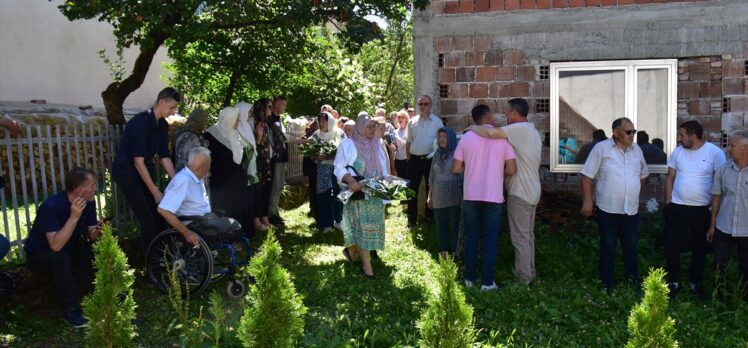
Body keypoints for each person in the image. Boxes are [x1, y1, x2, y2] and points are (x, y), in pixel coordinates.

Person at [465, 98, 542, 286]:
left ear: (515, 112)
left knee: (520, 238)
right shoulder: (533, 132)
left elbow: (490, 132)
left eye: (507, 112)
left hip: (520, 191)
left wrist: (472, 128)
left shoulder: (518, 129)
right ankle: (530, 271)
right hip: (533, 189)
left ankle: (523, 279)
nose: (505, 116)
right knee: (528, 236)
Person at [24, 167, 102, 327]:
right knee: (61, 258)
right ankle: (70, 310)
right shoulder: (52, 206)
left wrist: (99, 230)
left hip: (68, 248)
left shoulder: (88, 202)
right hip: (40, 255)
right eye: (93, 185)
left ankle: (102, 292)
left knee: (93, 249)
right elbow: (55, 246)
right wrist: (74, 218)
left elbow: (91, 235)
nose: (95, 189)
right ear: (80, 190)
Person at [581, 117, 649, 291]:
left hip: (630, 210)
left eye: (633, 131)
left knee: (631, 247)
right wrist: (588, 201)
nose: (632, 135)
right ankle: (606, 284)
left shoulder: (637, 150)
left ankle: (633, 282)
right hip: (608, 209)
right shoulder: (601, 149)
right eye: (628, 132)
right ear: (616, 132)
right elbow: (587, 176)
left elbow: (643, 175)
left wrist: (632, 192)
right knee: (608, 247)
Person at [453, 105, 516, 291]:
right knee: (490, 239)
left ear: (473, 119)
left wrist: (470, 168)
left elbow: (456, 168)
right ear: (488, 115)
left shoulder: (466, 138)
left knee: (472, 237)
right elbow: (512, 169)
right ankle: (488, 282)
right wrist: (496, 171)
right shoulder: (502, 139)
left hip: (471, 196)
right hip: (493, 197)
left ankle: (469, 279)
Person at [111, 87, 178, 251]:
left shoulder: (162, 125)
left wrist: (178, 181)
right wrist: (155, 191)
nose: (174, 112)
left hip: (142, 169)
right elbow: (138, 162)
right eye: (172, 107)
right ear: (161, 102)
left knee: (160, 212)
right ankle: (151, 263)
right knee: (146, 217)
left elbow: (164, 156)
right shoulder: (139, 123)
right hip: (126, 172)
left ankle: (165, 255)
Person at [664, 121, 726, 299]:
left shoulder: (714, 153)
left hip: (701, 210)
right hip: (676, 208)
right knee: (671, 246)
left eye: (682, 135)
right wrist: (668, 202)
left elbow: (719, 182)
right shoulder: (678, 152)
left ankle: (695, 282)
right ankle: (672, 282)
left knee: (700, 248)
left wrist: (714, 210)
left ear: (693, 136)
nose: (679, 138)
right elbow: (670, 177)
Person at [334, 112, 389, 278]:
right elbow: (338, 167)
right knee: (362, 229)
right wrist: (350, 181)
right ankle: (367, 268)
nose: (373, 129)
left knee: (370, 228)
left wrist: (386, 186)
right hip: (358, 195)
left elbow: (383, 169)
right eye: (369, 126)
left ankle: (351, 252)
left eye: (374, 126)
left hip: (375, 196)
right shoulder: (348, 145)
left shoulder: (376, 145)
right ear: (360, 127)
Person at [707, 130, 748, 301]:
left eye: (732, 145)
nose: (728, 149)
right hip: (724, 226)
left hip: (746, 229)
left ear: (746, 148)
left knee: (746, 267)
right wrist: (712, 225)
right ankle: (720, 298)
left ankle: (744, 300)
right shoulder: (724, 169)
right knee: (719, 264)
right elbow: (716, 197)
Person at [204, 106, 253, 234]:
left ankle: (239, 233)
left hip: (236, 179)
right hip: (221, 180)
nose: (238, 122)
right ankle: (226, 235)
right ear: (229, 119)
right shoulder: (211, 134)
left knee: (238, 206)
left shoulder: (235, 134)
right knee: (225, 208)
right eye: (236, 119)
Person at [157, 147, 212, 247]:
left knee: (231, 226)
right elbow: (163, 210)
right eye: (209, 164)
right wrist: (186, 232)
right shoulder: (183, 180)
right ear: (203, 167)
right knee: (228, 228)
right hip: (194, 222)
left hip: (203, 219)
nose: (210, 168)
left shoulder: (197, 178)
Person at [406, 95, 444, 227]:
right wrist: (408, 157)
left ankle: (428, 219)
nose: (422, 106)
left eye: (425, 104)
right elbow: (408, 141)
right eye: (420, 104)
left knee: (431, 189)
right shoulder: (412, 122)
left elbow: (441, 141)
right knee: (412, 190)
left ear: (431, 105)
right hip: (414, 160)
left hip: (431, 160)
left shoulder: (437, 122)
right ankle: (411, 220)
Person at [427, 127, 462, 260]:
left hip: (453, 195)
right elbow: (432, 176)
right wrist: (430, 196)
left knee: (454, 225)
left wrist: (462, 195)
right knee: (440, 225)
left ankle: (454, 253)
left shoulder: (457, 154)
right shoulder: (436, 154)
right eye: (440, 136)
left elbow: (462, 176)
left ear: (451, 138)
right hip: (438, 196)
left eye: (445, 136)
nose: (441, 139)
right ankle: (443, 253)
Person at [311, 112, 345, 233]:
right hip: (323, 171)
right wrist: (316, 156)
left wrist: (333, 155)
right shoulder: (316, 135)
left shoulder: (339, 133)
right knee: (324, 195)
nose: (321, 123)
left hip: (337, 169)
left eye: (324, 121)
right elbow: (310, 151)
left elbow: (344, 149)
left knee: (338, 194)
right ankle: (326, 224)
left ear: (330, 121)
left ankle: (338, 220)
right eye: (319, 121)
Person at [236, 102, 259, 235]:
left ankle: (250, 229)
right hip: (242, 171)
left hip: (251, 169)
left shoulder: (247, 127)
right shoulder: (237, 128)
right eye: (248, 112)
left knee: (251, 199)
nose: (250, 114)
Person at [268, 95, 289, 227]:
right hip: (276, 158)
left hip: (282, 158)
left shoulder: (278, 119)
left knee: (279, 186)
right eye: (283, 105)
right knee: (275, 186)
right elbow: (282, 138)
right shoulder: (270, 120)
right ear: (277, 104)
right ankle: (271, 214)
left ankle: (275, 211)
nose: (284, 108)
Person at [253, 98, 275, 230]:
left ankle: (264, 218)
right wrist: (259, 137)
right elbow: (255, 146)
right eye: (269, 107)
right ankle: (257, 221)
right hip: (259, 163)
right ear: (262, 109)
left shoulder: (266, 123)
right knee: (258, 192)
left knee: (266, 190)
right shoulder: (256, 124)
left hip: (267, 161)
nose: (271, 110)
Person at [393, 110, 410, 178]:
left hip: (407, 159)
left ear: (406, 119)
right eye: (399, 117)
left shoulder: (410, 130)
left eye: (402, 117)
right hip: (398, 159)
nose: (400, 119)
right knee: (400, 179)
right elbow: (395, 146)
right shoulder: (395, 132)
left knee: (408, 179)